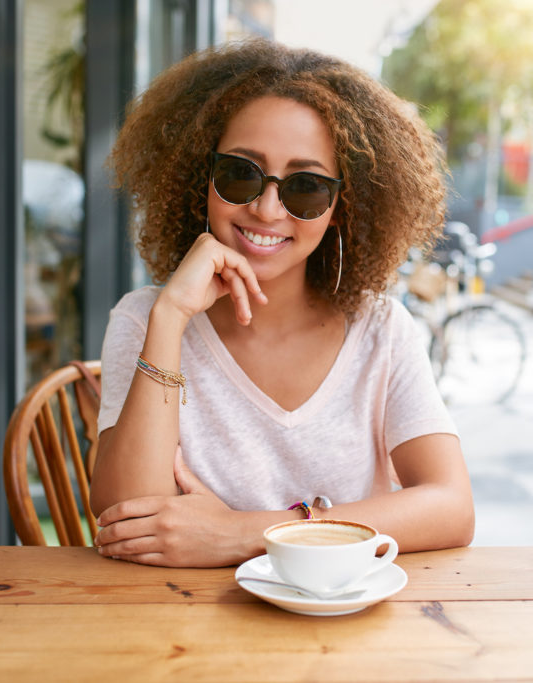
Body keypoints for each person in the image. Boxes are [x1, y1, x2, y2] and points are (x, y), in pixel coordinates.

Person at [90, 39, 474, 568]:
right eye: (240, 174)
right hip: (184, 615)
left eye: (306, 187)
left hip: (346, 613)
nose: (267, 209)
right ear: (201, 178)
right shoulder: (146, 320)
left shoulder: (381, 330)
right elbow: (126, 518)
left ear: (341, 207)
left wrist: (249, 532)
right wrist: (171, 317)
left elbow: (452, 507)